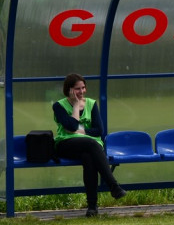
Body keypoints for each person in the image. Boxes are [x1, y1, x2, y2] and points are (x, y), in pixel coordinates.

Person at [52, 73, 126, 216]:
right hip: (66, 144)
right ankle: (114, 186)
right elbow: (71, 126)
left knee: (88, 157)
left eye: (83, 88)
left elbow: (98, 130)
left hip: (90, 146)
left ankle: (92, 207)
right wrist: (75, 106)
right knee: (91, 144)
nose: (81, 91)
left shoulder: (91, 104)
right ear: (69, 90)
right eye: (77, 89)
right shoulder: (58, 106)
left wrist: (80, 131)